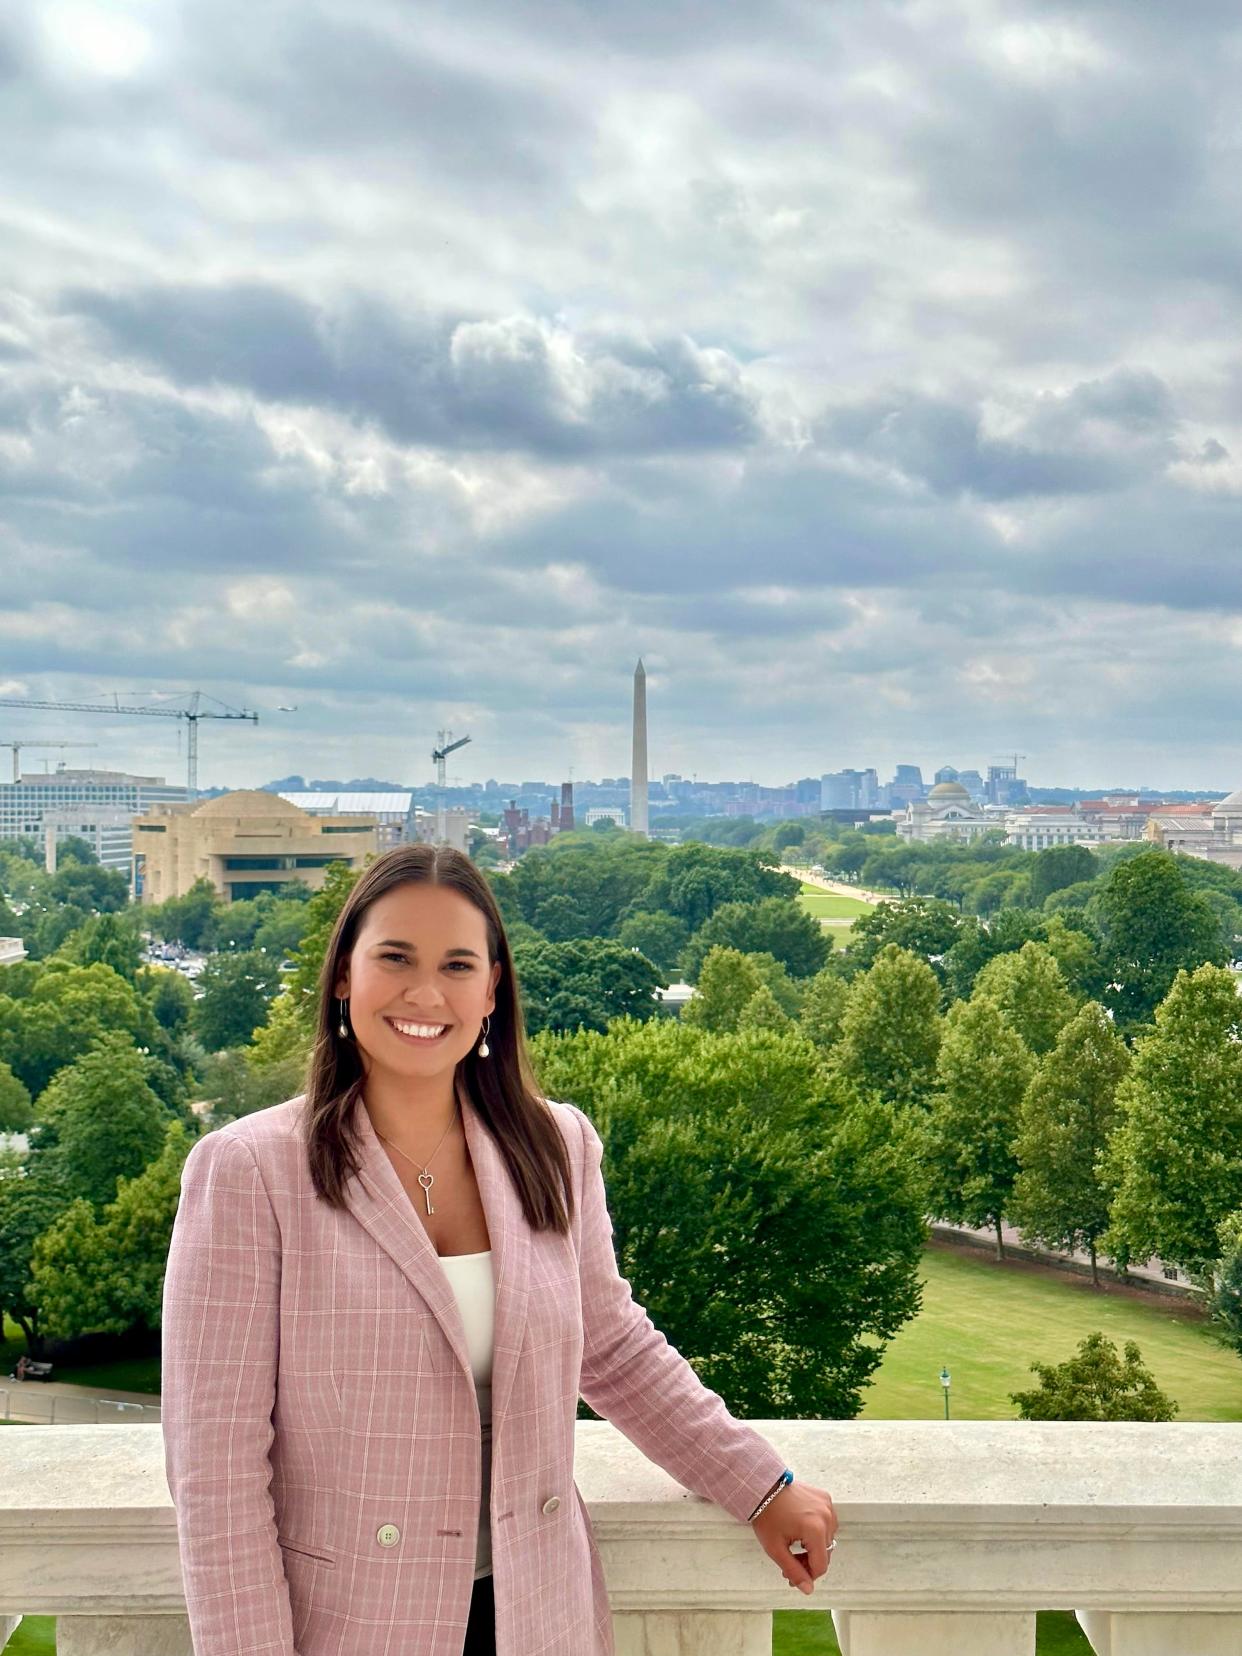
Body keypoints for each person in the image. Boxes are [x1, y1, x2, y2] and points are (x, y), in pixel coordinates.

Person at [161, 844, 837, 1655]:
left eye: (457, 964)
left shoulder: (554, 1145)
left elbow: (614, 1347)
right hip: (351, 1623)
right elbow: (217, 1470)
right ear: (344, 975)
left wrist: (758, 1484)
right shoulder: (249, 1172)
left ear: (492, 990)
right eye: (395, 958)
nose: (425, 992)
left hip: (535, 1612)